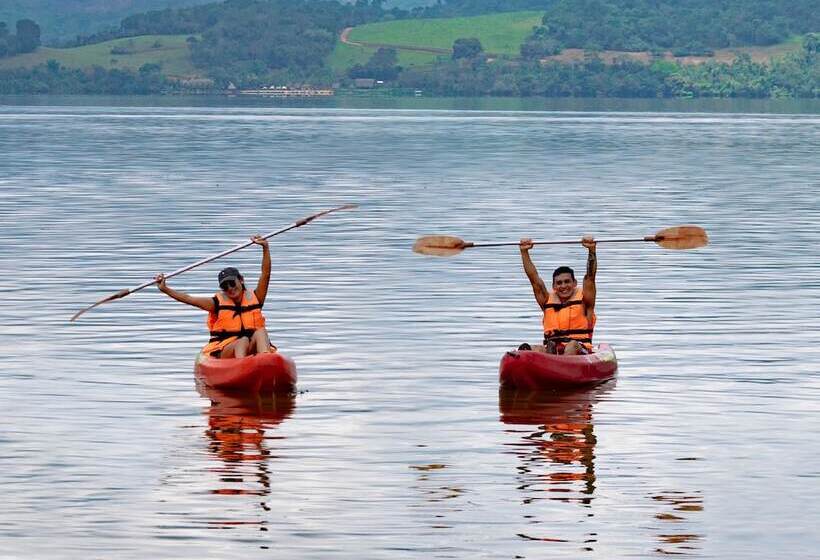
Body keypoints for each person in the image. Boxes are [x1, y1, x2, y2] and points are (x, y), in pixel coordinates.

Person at [154, 235, 275, 359]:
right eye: (225, 286)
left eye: (232, 283)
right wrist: (165, 289)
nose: (230, 288)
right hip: (225, 350)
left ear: (241, 280)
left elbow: (265, 275)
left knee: (260, 332)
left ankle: (265, 359)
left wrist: (265, 248)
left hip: (251, 348)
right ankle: (241, 366)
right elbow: (189, 299)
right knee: (242, 340)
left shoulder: (256, 297)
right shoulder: (216, 303)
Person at [518, 236, 597, 355]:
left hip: (579, 349)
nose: (563, 286)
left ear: (574, 283)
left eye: (567, 281)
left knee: (571, 346)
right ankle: (546, 361)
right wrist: (524, 252)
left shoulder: (585, 300)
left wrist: (591, 250)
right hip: (553, 348)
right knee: (527, 348)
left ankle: (561, 366)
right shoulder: (547, 300)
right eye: (559, 283)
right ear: (554, 286)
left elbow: (590, 277)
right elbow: (534, 279)